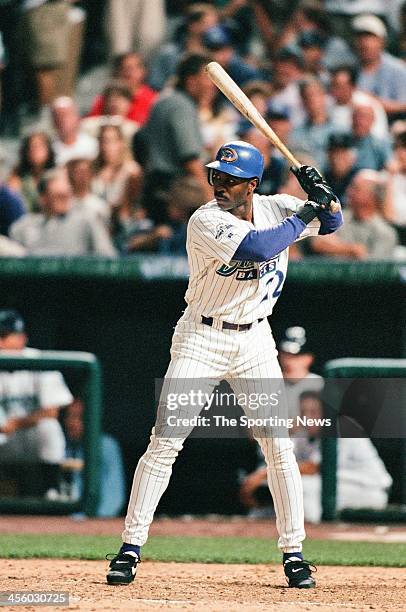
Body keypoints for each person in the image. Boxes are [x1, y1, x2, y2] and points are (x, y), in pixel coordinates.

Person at [106, 139, 343, 588]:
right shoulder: (205, 219)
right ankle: (130, 548)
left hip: (255, 339)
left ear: (252, 185)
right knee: (166, 440)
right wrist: (309, 210)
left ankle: (294, 553)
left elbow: (333, 222)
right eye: (217, 176)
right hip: (202, 336)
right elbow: (258, 248)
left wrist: (323, 194)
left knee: (278, 445)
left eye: (231, 180)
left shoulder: (278, 207)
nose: (221, 185)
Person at [241, 390, 392, 524]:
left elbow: (314, 467)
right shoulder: (305, 436)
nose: (307, 417)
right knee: (278, 490)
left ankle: (315, 537)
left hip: (369, 489)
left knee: (302, 487)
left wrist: (262, 474)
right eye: (303, 412)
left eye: (313, 412)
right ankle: (250, 530)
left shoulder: (344, 427)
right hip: (332, 489)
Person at [0, 310, 72, 490]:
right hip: (4, 436)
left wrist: (17, 423)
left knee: (48, 428)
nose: (0, 342)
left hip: (30, 435)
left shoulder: (40, 360)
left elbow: (52, 411)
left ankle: (52, 487)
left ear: (22, 338)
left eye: (5, 336)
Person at [140, 53, 214, 223]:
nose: (212, 86)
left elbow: (140, 141)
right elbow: (190, 158)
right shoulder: (182, 106)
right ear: (191, 81)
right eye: (208, 79)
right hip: (174, 194)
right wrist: (210, 197)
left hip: (153, 188)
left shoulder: (164, 100)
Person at [9, 169, 116, 256]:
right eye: (59, 196)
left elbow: (107, 259)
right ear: (43, 199)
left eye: (67, 195)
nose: (66, 200)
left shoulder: (87, 220)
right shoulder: (23, 226)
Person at [311, 170, 398, 259]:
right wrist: (351, 250)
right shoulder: (339, 217)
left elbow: (374, 268)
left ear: (371, 196)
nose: (349, 191)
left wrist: (337, 248)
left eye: (355, 188)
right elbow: (318, 243)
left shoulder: (385, 232)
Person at [62, 399, 125, 517]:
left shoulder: (106, 445)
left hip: (96, 520)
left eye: (77, 417)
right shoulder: (59, 445)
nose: (71, 423)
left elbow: (115, 496)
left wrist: (90, 519)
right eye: (69, 417)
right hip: (59, 519)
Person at [352, 14, 406, 117]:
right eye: (360, 37)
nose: (364, 43)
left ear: (382, 41)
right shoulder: (351, 69)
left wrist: (371, 101)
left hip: (390, 124)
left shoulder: (397, 69)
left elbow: (403, 106)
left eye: (370, 37)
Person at [88, 53, 157, 126]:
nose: (128, 73)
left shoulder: (153, 100)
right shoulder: (105, 99)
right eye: (124, 68)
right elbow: (92, 123)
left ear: (143, 71)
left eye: (133, 68)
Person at [92, 123, 142, 210]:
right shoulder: (93, 169)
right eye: (104, 141)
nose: (108, 146)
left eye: (112, 141)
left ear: (121, 143)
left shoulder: (132, 171)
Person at [277, 327, 324, 419]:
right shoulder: (271, 384)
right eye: (286, 354)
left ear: (308, 358)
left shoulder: (319, 384)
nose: (289, 360)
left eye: (296, 356)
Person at [8, 132, 56, 213]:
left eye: (39, 146)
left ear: (48, 149)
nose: (35, 150)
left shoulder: (57, 174)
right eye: (31, 147)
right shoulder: (18, 176)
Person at [51, 97, 98, 167]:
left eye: (66, 115)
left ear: (77, 117)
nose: (62, 120)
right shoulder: (49, 149)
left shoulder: (92, 145)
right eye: (58, 116)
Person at [351, 103, 391, 171]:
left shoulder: (380, 143)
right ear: (352, 118)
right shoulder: (340, 139)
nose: (360, 121)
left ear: (373, 120)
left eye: (365, 117)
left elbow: (391, 166)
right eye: (357, 116)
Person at [323, 133, 358, 206]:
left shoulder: (359, 178)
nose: (337, 158)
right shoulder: (323, 177)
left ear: (352, 156)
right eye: (334, 152)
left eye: (342, 153)